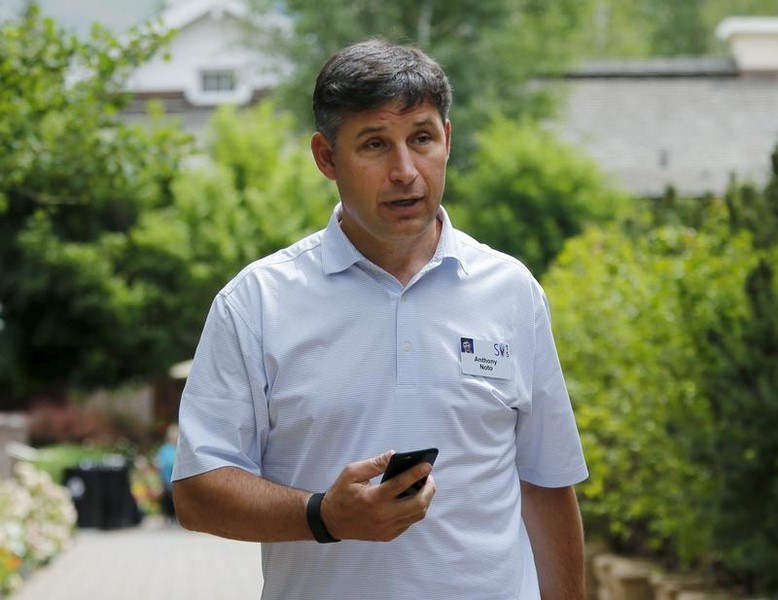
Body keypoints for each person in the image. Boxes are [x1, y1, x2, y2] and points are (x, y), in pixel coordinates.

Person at [172, 38, 588, 599]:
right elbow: (197, 491)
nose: (405, 171)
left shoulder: (512, 291)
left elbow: (545, 484)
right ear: (326, 158)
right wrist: (324, 516)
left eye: (422, 138)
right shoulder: (257, 302)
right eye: (374, 144)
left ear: (448, 139)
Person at [155, 423, 179, 523]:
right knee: (167, 498)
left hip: (177, 479)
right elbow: (159, 462)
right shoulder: (165, 449)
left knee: (176, 499)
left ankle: (176, 516)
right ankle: (168, 517)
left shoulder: (181, 448)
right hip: (167, 479)